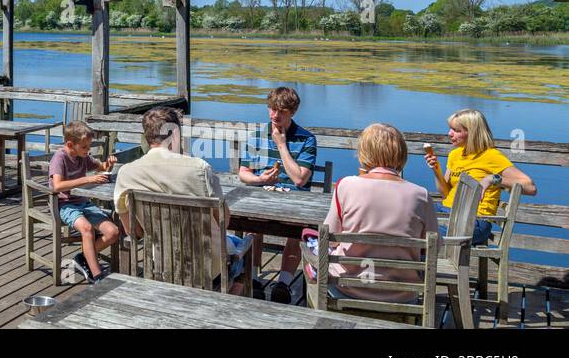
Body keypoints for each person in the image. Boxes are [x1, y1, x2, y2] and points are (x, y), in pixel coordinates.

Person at [113, 106, 255, 294]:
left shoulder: (126, 173)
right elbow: (223, 221)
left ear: (146, 137)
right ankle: (226, 306)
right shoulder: (199, 168)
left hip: (163, 268)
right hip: (209, 271)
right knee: (241, 258)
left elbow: (133, 231)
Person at [302, 123, 440, 304]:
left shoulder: (346, 185)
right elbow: (434, 247)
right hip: (404, 294)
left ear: (364, 152)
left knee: (309, 250)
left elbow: (331, 237)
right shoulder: (420, 194)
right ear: (401, 153)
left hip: (347, 288)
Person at [238, 86, 318, 282]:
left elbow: (299, 179)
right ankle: (254, 278)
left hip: (294, 198)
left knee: (297, 227)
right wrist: (260, 179)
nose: (275, 115)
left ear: (293, 112)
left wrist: (281, 145)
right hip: (262, 194)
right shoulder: (256, 136)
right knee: (252, 223)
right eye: (272, 109)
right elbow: (243, 173)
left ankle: (284, 282)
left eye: (281, 111)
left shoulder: (306, 139)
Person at [425, 108, 537, 245]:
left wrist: (493, 179)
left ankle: (417, 264)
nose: (450, 133)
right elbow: (445, 194)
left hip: (475, 221)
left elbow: (530, 188)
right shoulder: (455, 155)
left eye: (456, 130)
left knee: (418, 232)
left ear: (472, 132)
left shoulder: (491, 156)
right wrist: (436, 169)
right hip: (447, 211)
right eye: (450, 128)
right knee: (407, 215)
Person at [49, 122, 119, 283]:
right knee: (87, 229)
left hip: (84, 202)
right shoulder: (59, 158)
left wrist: (109, 164)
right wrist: (88, 179)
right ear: (70, 144)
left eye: (89, 146)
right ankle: (97, 277)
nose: (88, 150)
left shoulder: (82, 156)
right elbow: (57, 186)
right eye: (84, 147)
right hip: (64, 204)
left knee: (113, 232)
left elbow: (101, 167)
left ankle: (83, 257)